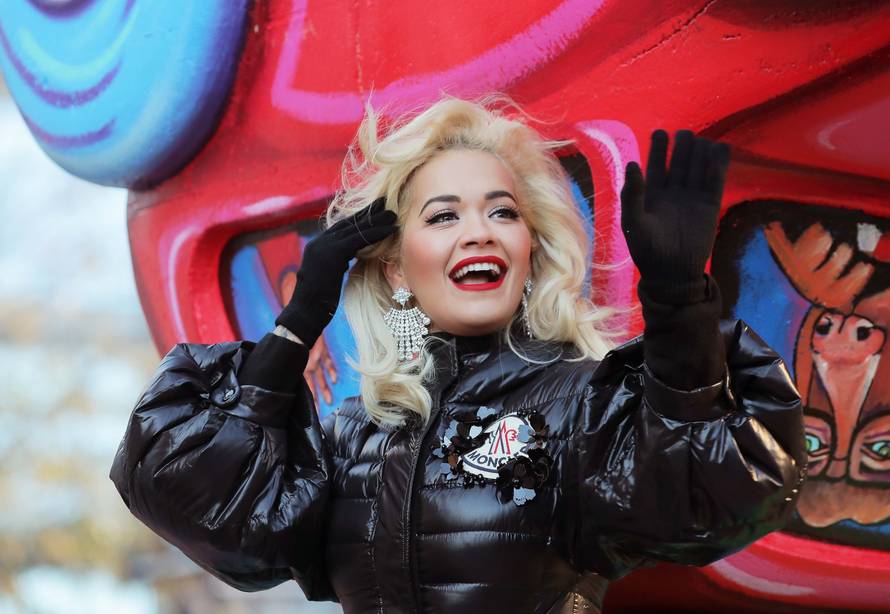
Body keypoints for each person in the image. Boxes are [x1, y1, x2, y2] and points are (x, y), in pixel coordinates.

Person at [110, 97, 806, 613]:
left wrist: (680, 302)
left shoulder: (583, 404)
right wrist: (298, 321)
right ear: (396, 271)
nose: (479, 232)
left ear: (531, 252)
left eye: (502, 212)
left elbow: (707, 500)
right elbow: (208, 512)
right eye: (444, 216)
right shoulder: (354, 432)